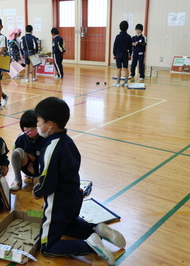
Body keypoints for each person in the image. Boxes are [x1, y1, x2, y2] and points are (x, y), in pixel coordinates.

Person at [33, 97, 126, 266]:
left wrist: (37, 191)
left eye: (38, 121)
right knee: (68, 226)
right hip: (74, 198)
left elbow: (47, 182)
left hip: (57, 203)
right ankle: (97, 229)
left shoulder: (50, 148)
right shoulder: (68, 142)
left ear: (50, 124)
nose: (37, 125)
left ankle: (89, 245)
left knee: (47, 247)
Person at [10, 110, 43, 191]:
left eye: (32, 127)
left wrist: (35, 172)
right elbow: (15, 155)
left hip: (40, 171)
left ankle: (37, 177)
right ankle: (17, 180)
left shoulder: (44, 138)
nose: (29, 129)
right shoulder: (21, 138)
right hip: (26, 167)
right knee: (17, 152)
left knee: (38, 187)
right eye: (26, 127)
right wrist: (26, 154)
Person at [113, 21, 132, 87]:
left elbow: (115, 45)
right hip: (125, 53)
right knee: (126, 68)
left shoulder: (118, 36)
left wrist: (114, 54)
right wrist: (130, 54)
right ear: (127, 28)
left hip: (118, 53)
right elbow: (130, 47)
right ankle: (126, 82)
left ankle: (118, 83)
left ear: (120, 27)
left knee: (119, 68)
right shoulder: (128, 37)